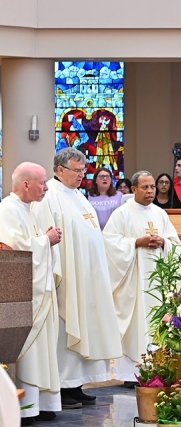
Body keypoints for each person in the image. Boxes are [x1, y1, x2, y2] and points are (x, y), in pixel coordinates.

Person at [31, 148, 122, 409]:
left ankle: (77, 384)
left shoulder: (79, 196)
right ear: (60, 170)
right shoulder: (50, 196)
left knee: (86, 328)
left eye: (84, 171)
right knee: (66, 331)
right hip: (68, 276)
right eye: (76, 170)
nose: (82, 175)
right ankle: (62, 388)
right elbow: (50, 234)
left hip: (87, 275)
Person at [103, 171, 181, 385]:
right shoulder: (121, 214)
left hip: (157, 283)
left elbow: (176, 243)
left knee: (156, 323)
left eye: (152, 187)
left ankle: (158, 370)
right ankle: (131, 374)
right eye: (145, 187)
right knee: (136, 324)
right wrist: (136, 243)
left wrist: (163, 243)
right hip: (133, 282)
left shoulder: (160, 214)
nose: (150, 191)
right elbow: (109, 242)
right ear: (134, 189)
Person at [0, 162, 63, 425]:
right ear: (26, 184)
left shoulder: (29, 210)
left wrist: (46, 241)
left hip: (41, 290)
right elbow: (12, 248)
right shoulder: (7, 209)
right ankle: (24, 408)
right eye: (41, 182)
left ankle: (42, 403)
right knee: (27, 350)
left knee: (44, 349)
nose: (46, 187)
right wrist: (45, 240)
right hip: (24, 295)